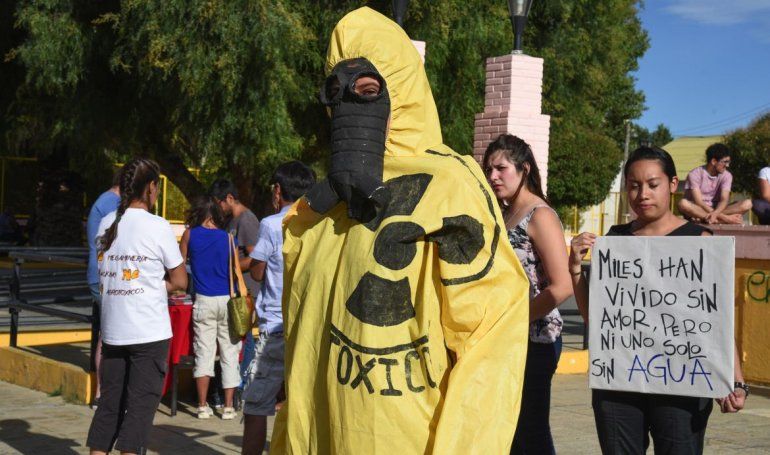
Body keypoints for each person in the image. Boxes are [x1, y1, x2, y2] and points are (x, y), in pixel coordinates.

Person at [271, 8, 530, 454]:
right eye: (338, 93)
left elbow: (490, 339)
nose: (351, 106)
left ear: (402, 91)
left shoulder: (451, 187)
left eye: (369, 90)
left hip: (408, 436)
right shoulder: (325, 205)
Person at [570, 146, 748, 454]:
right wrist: (575, 269)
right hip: (618, 386)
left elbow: (717, 320)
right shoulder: (613, 242)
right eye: (634, 185)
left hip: (683, 385)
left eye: (653, 184)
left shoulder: (701, 242)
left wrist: (735, 381)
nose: (643, 194)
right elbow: (596, 320)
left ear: (673, 185)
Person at [86, 158, 188, 455]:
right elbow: (180, 279)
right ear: (151, 188)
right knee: (140, 413)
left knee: (109, 408)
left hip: (114, 332)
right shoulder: (157, 227)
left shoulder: (106, 223)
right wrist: (157, 285)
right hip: (148, 332)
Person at [483, 134, 572, 454]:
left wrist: (516, 319)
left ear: (524, 169)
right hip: (505, 339)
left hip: (536, 339)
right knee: (507, 428)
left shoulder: (540, 215)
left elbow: (562, 287)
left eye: (501, 168)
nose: (493, 176)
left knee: (530, 428)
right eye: (488, 169)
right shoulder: (504, 214)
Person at [241, 161, 316, 455]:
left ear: (277, 191)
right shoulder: (319, 221)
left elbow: (258, 273)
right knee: (303, 401)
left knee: (256, 404)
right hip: (307, 324)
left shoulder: (273, 224)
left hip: (274, 324)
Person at [179, 196, 241, 420]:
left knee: (204, 353)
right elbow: (234, 270)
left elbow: (179, 265)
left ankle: (203, 406)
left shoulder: (190, 235)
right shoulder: (227, 238)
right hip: (226, 300)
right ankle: (228, 407)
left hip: (203, 300)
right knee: (229, 353)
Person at [85, 174, 121, 410]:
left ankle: (102, 392)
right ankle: (103, 393)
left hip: (99, 276)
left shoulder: (104, 200)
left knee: (104, 334)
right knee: (107, 336)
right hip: (105, 277)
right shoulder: (112, 205)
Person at [677, 143, 752, 224]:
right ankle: (720, 220)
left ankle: (708, 219)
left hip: (716, 209)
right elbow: (699, 202)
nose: (727, 165)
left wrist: (715, 213)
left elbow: (724, 200)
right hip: (698, 209)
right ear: (713, 161)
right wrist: (726, 218)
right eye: (725, 162)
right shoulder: (694, 174)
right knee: (683, 204)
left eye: (728, 162)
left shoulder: (727, 175)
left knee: (747, 204)